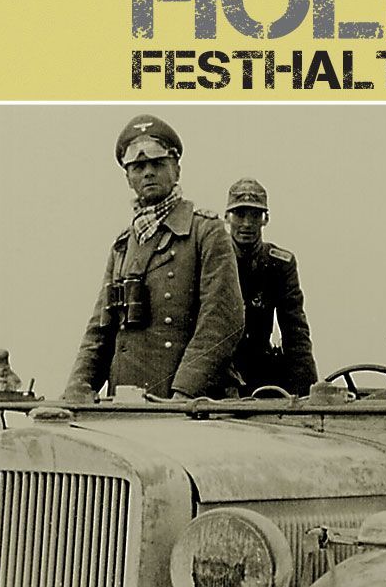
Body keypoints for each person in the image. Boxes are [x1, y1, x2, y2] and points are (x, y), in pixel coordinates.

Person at [63, 114, 245, 400]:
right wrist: (77, 388)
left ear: (176, 170)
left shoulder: (206, 232)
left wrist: (184, 393)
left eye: (158, 164)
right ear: (128, 177)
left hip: (191, 402)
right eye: (138, 167)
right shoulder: (123, 245)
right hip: (127, 400)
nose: (148, 172)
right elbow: (100, 329)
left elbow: (222, 321)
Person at [224, 178, 318, 395]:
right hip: (215, 370)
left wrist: (307, 391)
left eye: (255, 215)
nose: (247, 224)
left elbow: (295, 329)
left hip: (258, 372)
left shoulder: (279, 263)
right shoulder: (212, 258)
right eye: (240, 214)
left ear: (265, 219)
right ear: (227, 218)